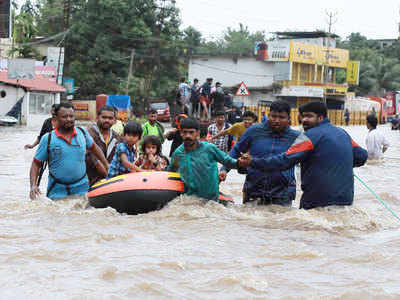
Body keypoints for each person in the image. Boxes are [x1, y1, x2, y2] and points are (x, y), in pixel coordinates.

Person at [238, 101, 368, 210]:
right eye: (303, 116)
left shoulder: (309, 136)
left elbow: (284, 161)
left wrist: (253, 162)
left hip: (316, 201)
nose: (304, 120)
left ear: (321, 118)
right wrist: (336, 162)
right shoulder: (342, 133)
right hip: (345, 200)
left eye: (309, 116)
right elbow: (362, 156)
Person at [219, 101, 300, 206]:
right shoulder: (254, 131)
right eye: (273, 116)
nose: (276, 121)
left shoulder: (296, 137)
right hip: (254, 189)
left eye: (281, 117)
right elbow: (236, 150)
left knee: (281, 221)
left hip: (283, 193)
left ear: (289, 119)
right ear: (268, 115)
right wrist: (224, 169)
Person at [29, 102, 109, 200]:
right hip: (57, 191)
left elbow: (95, 148)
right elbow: (36, 164)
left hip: (82, 189)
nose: (69, 119)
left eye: (71, 116)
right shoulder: (48, 138)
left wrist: (106, 164)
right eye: (64, 117)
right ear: (56, 118)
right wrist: (33, 185)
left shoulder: (82, 133)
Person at [167, 118, 245, 201]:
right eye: (185, 132)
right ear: (180, 133)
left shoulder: (209, 148)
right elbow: (170, 172)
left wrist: (241, 163)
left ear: (198, 133)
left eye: (191, 132)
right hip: (190, 201)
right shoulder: (178, 153)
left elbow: (228, 161)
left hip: (211, 200)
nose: (188, 136)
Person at [86, 105, 124, 186]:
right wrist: (109, 178)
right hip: (90, 181)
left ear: (115, 121)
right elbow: (92, 158)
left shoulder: (117, 138)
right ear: (97, 118)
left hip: (110, 182)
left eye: (110, 118)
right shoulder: (88, 134)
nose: (107, 120)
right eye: (104, 117)